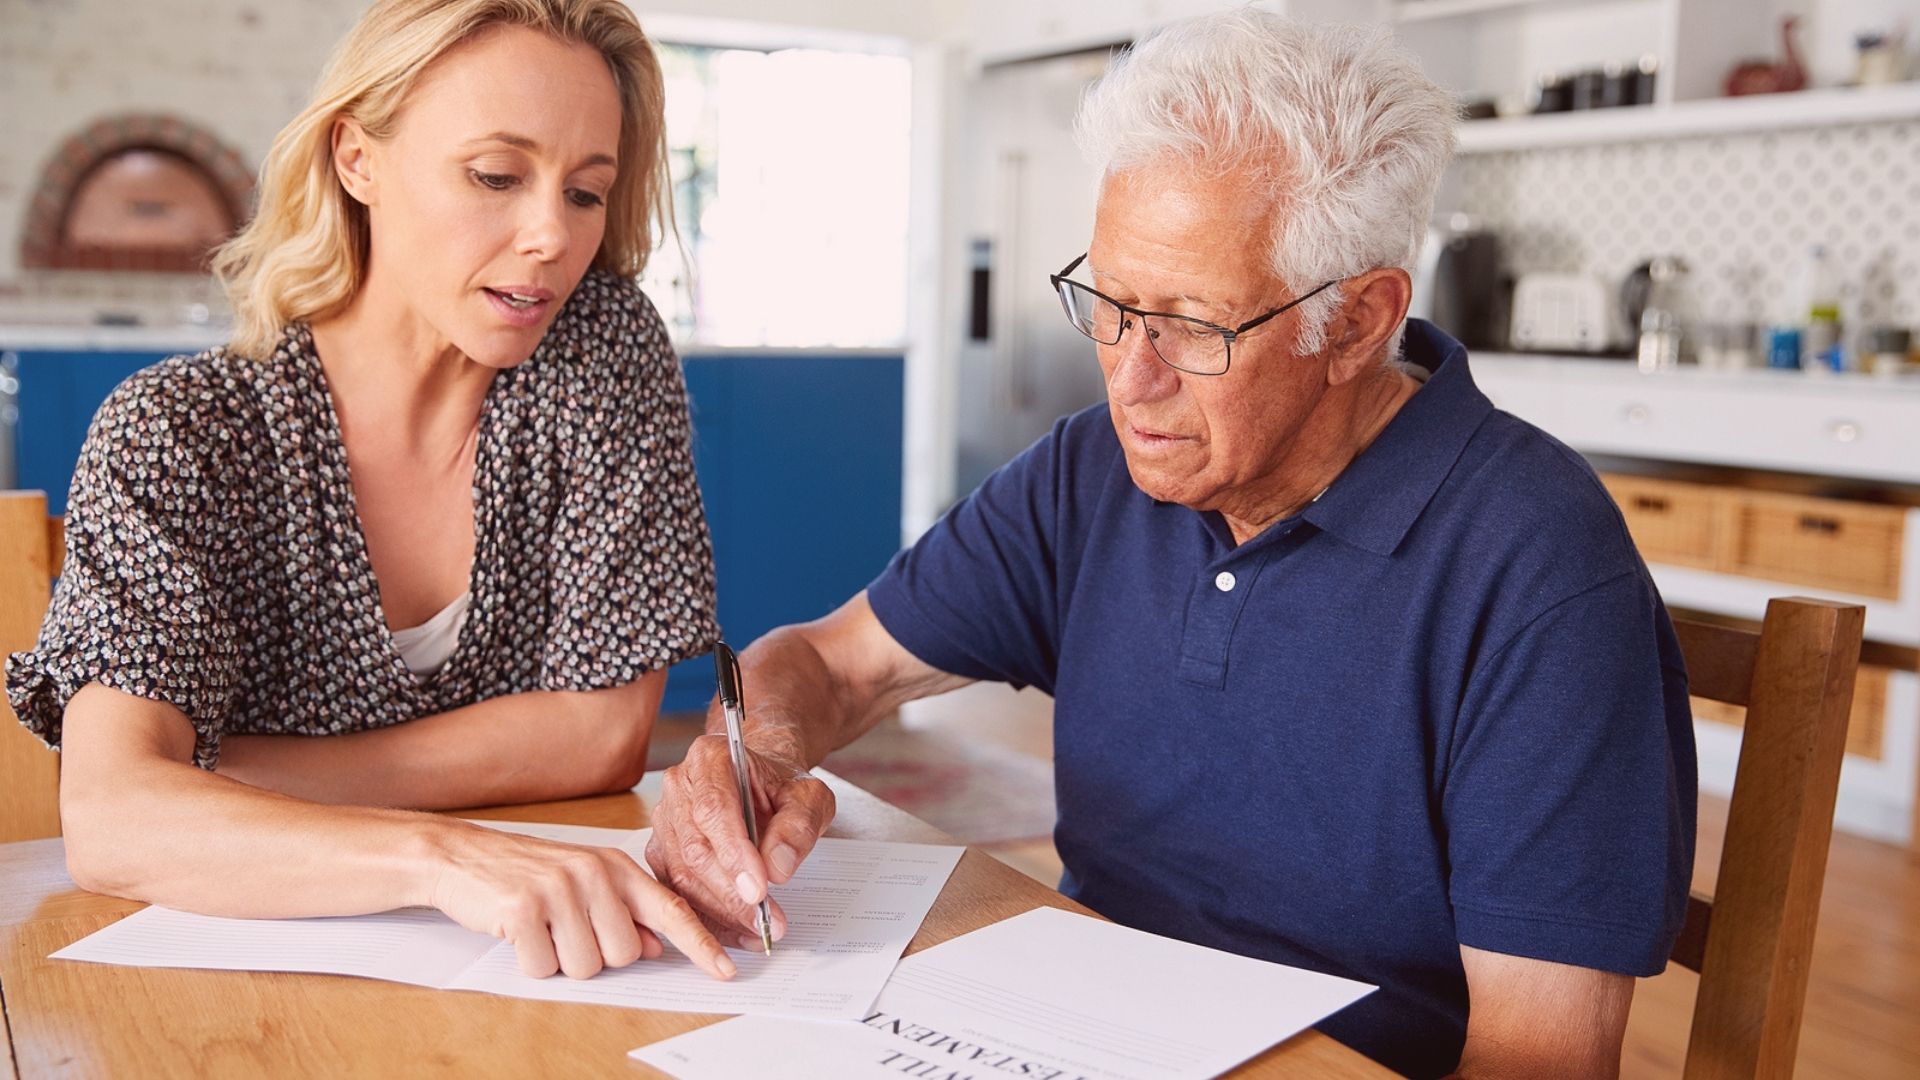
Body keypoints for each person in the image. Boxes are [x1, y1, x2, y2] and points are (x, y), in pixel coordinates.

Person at [645, 11, 1696, 1076]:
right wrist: (754, 758)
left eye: (1193, 324)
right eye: (1110, 300)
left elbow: (1541, 1061)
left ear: (1360, 321)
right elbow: (829, 663)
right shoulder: (1093, 470)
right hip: (1055, 1031)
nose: (1128, 377)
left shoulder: (1538, 569)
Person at [7, 0, 734, 983]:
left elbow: (602, 736)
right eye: (494, 175)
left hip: (523, 973)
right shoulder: (184, 431)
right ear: (358, 159)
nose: (549, 237)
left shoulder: (598, 353)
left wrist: (219, 774)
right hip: (241, 983)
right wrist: (440, 856)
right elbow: (111, 820)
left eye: (585, 192)